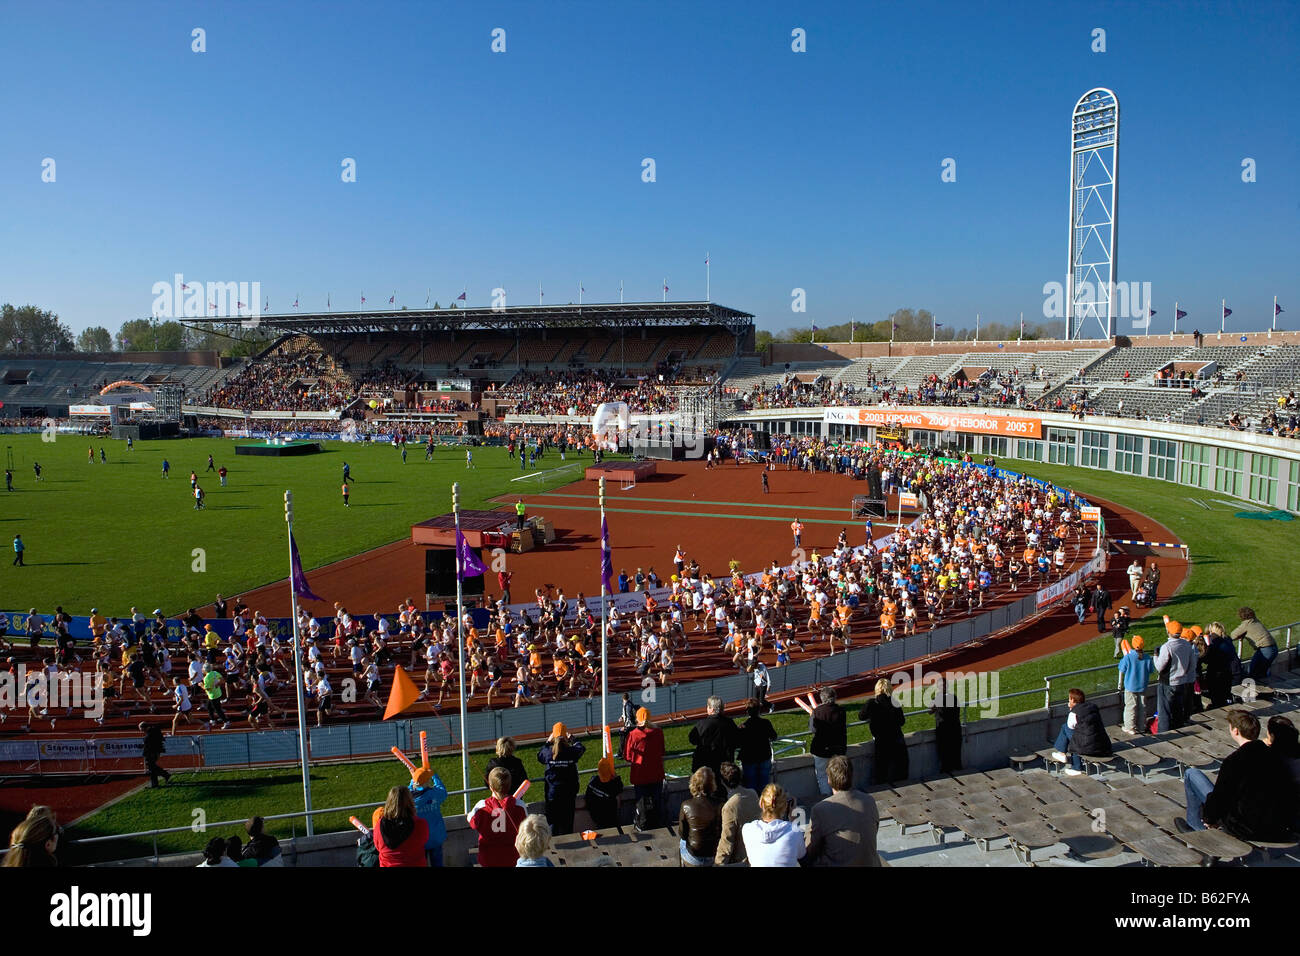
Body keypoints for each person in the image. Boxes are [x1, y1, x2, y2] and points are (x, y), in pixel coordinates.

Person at [1177, 709, 1295, 840]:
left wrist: (1210, 818)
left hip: (1244, 827)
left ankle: (1195, 828)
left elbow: (1220, 797)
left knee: (1191, 774)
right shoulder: (1274, 756)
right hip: (1275, 826)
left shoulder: (1234, 761)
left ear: (1235, 731)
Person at [805, 755, 881, 867]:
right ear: (851, 776)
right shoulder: (869, 801)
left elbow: (809, 850)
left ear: (829, 780)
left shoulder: (821, 809)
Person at [468, 767, 527, 866]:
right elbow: (526, 827)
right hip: (512, 858)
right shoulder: (519, 805)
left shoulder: (481, 806)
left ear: (491, 786)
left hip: (488, 859)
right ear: (510, 785)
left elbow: (471, 821)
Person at [1049, 688, 1112, 775]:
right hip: (1102, 744)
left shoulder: (1074, 713)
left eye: (1069, 699)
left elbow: (1070, 726)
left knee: (1067, 730)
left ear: (1072, 700)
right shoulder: (1093, 707)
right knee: (1076, 735)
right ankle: (1062, 753)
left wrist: (1071, 709)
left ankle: (1075, 766)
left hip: (1087, 746)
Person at [741, 784, 806, 867]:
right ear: (785, 806)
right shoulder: (794, 832)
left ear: (761, 804)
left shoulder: (747, 830)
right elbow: (801, 856)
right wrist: (793, 821)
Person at [537, 722, 584, 836]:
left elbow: (540, 755)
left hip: (552, 793)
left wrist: (548, 742)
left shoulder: (549, 752)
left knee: (552, 822)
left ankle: (553, 845)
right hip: (569, 793)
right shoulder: (571, 752)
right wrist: (573, 739)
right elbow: (581, 748)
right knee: (567, 823)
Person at [623, 707, 666, 830]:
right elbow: (662, 751)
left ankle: (642, 824)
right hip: (656, 773)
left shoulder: (633, 735)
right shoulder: (658, 732)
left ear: (638, 718)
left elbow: (627, 756)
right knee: (656, 801)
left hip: (640, 775)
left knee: (641, 803)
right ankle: (657, 824)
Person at [860, 677, 909, 783]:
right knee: (900, 769)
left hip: (881, 740)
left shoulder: (872, 703)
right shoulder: (894, 702)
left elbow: (861, 716)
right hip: (896, 739)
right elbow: (902, 721)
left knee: (882, 770)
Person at [1153, 619, 1198, 732]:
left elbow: (1159, 667)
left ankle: (1163, 736)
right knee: (1178, 710)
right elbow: (1193, 665)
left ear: (1168, 632)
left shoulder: (1167, 647)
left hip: (1167, 683)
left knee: (1164, 712)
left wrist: (1155, 655)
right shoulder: (1187, 645)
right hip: (1182, 682)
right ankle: (1179, 731)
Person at [370, 786, 429, 867]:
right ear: (410, 802)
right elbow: (424, 841)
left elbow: (377, 846)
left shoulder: (380, 824)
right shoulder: (420, 823)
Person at [714, 762, 760, 866]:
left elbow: (727, 841)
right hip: (756, 850)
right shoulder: (753, 793)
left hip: (743, 858)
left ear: (722, 782)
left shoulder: (729, 807)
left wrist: (718, 863)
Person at [678, 767, 722, 866]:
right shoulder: (720, 804)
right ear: (712, 784)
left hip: (694, 855)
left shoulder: (686, 805)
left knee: (681, 842)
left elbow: (683, 834)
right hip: (713, 854)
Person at [810, 687, 847, 796]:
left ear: (822, 699)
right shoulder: (841, 711)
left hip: (821, 749)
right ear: (834, 698)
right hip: (838, 748)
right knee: (839, 774)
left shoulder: (816, 712)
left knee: (822, 775)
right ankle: (840, 796)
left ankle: (826, 797)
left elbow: (812, 729)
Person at [689, 695, 738, 776]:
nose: (707, 709)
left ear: (712, 709)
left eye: (708, 707)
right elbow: (736, 740)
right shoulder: (730, 723)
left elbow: (692, 740)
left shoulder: (702, 724)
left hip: (706, 766)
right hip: (725, 766)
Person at [736, 700, 777, 792]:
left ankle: (754, 805)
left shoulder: (743, 727)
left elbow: (737, 743)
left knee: (751, 788)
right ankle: (765, 805)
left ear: (747, 711)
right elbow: (774, 736)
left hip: (749, 759)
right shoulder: (765, 723)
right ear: (759, 710)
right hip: (764, 757)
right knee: (765, 787)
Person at [410, 769, 448, 866]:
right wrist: (434, 775)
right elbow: (443, 791)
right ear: (427, 781)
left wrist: (413, 780)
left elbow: (409, 789)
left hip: (420, 840)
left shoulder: (409, 799)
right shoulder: (434, 793)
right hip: (436, 837)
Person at [1117, 637, 1154, 735]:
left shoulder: (1128, 657)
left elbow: (1121, 668)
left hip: (1130, 686)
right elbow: (1151, 670)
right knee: (1142, 706)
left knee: (1130, 707)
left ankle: (1130, 727)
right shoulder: (1147, 657)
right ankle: (1142, 726)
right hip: (1143, 686)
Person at [1232, 607, 1276, 682]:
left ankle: (1260, 689)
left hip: (1265, 650)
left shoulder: (1246, 624)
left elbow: (1233, 635)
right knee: (1262, 671)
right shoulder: (1255, 620)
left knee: (1253, 672)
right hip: (1273, 648)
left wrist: (1242, 635)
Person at [583, 754, 624, 829]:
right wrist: (616, 777)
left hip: (594, 815)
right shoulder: (612, 785)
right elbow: (620, 788)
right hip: (609, 818)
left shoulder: (593, 780)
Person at [931, 677, 963, 773]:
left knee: (953, 755)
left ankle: (950, 770)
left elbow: (932, 710)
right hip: (947, 730)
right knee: (946, 755)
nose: (943, 687)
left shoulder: (950, 697)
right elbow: (930, 710)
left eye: (944, 685)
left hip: (949, 729)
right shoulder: (941, 698)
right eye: (941, 685)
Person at [141, 721, 171, 788]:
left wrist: (144, 745)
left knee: (152, 768)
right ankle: (165, 775)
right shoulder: (154, 731)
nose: (141, 731)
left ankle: (156, 783)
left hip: (151, 753)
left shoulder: (150, 734)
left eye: (141, 729)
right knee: (152, 767)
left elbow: (149, 743)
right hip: (154, 752)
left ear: (144, 727)